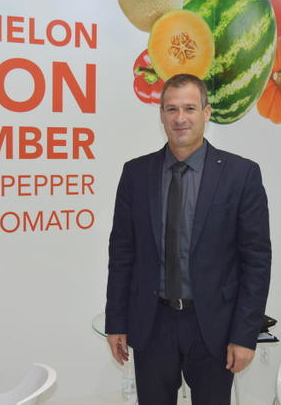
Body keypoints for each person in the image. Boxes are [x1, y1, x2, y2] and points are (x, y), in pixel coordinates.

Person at [104, 73, 271, 404]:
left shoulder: (241, 174)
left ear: (206, 113)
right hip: (153, 325)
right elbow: (122, 253)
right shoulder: (136, 174)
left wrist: (244, 334)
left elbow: (256, 261)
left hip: (214, 328)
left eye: (190, 108)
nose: (180, 118)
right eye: (172, 109)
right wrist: (116, 322)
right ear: (161, 114)